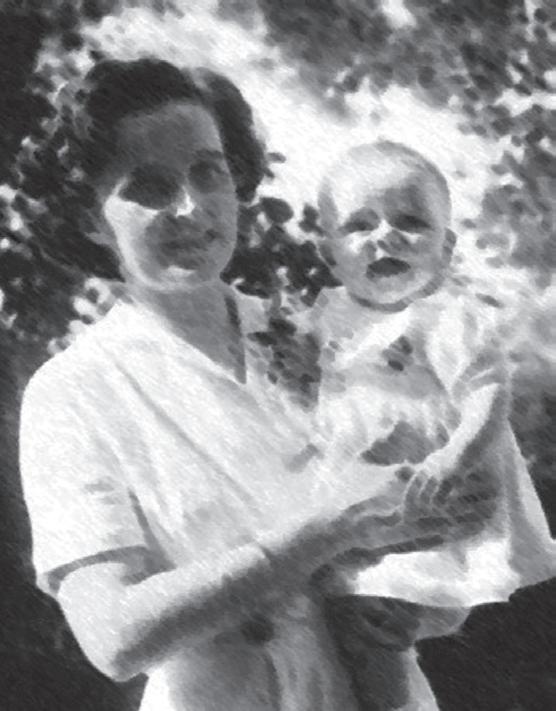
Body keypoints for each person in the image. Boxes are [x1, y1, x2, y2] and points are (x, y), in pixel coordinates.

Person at [19, 59, 484, 711]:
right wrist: (326, 530)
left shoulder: (324, 339)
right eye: (148, 187)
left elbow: (440, 540)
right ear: (90, 217)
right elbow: (114, 637)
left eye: (208, 172)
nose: (190, 208)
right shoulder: (74, 392)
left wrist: (421, 608)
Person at [294, 141, 556, 709]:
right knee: (339, 614)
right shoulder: (328, 314)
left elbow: (487, 392)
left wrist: (455, 455)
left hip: (427, 493)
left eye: (411, 223)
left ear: (446, 247)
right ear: (330, 252)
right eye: (359, 225)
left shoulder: (444, 316)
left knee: (374, 617)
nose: (385, 236)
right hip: (357, 494)